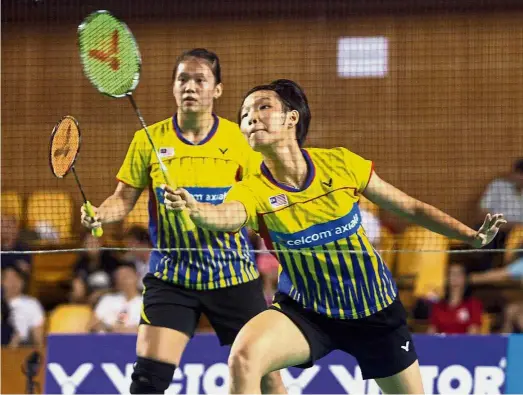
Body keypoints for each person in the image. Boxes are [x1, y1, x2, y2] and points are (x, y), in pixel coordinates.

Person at [165, 79, 506, 394]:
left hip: (374, 311)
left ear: (291, 118)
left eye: (262, 107)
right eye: (244, 114)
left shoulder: (340, 165)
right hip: (308, 311)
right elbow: (228, 215)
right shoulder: (252, 189)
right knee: (245, 355)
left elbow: (410, 208)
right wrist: (197, 210)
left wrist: (470, 236)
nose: (251, 117)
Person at [81, 49, 285, 394]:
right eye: (182, 80)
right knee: (147, 380)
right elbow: (122, 199)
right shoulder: (148, 139)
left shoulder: (240, 140)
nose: (190, 87)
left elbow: (257, 203)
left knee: (267, 375)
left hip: (232, 275)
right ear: (174, 88)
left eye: (200, 80)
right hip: (173, 277)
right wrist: (101, 213)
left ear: (217, 90)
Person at [427, 262, 483, 334]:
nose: (455, 278)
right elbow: (431, 333)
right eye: (452, 274)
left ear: (465, 279)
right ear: (447, 278)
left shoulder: (473, 304)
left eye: (459, 274)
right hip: (441, 344)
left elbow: (473, 334)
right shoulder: (438, 306)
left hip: (463, 344)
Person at [88, 262, 142, 334]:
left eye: (126, 276)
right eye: (119, 277)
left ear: (137, 276)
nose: (123, 280)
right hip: (106, 342)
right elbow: (92, 325)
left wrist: (111, 328)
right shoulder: (107, 299)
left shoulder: (148, 302)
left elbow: (149, 331)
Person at [1, 266, 45, 348]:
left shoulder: (32, 304)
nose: (13, 283)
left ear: (23, 282)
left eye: (17, 278)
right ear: (1, 282)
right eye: (9, 279)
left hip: (23, 347)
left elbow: (39, 340)